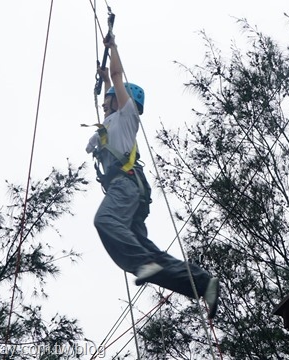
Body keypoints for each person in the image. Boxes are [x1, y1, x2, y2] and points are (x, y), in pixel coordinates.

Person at [85, 34, 220, 319]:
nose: (104, 104)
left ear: (120, 101)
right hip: (130, 194)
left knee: (106, 221)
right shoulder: (111, 121)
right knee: (149, 255)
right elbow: (110, 86)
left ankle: (144, 263)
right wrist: (104, 80)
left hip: (126, 187)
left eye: (109, 99)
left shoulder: (127, 116)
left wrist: (113, 49)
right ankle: (202, 283)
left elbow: (117, 75)